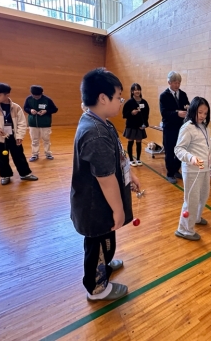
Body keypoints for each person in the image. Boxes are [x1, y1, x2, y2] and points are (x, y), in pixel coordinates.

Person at [70, 67, 141, 302]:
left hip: (102, 204)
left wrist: (130, 175)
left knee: (106, 240)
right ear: (103, 98)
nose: (121, 101)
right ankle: (97, 288)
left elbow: (119, 155)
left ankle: (106, 264)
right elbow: (105, 179)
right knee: (97, 245)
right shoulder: (96, 133)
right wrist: (119, 209)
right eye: (118, 97)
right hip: (95, 206)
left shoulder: (102, 123)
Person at [173, 97, 211, 241]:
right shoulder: (187, 128)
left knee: (203, 196)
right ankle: (184, 229)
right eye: (200, 112)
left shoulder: (205, 127)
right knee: (191, 200)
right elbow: (178, 149)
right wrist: (190, 157)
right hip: (192, 171)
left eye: (205, 113)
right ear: (193, 111)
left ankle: (196, 218)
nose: (203, 116)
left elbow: (209, 149)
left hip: (204, 170)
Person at [0, 83, 38, 185]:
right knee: (1, 158)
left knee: (19, 156)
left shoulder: (16, 107)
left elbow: (22, 123)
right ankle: (5, 176)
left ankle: (25, 174)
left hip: (13, 137)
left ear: (7, 95)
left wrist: (19, 136)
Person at [159, 71, 190, 183]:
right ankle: (170, 173)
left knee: (180, 149)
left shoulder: (183, 94)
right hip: (169, 128)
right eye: (175, 83)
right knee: (169, 150)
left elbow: (188, 106)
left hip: (181, 127)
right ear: (169, 82)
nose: (177, 85)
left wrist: (188, 109)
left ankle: (176, 169)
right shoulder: (164, 96)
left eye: (179, 83)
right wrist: (177, 113)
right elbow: (164, 113)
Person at [23, 85, 59, 161]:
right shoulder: (29, 99)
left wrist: (46, 111)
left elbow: (55, 109)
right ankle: (34, 154)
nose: (36, 97)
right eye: (34, 96)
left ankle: (48, 153)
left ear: (42, 93)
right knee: (34, 140)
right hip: (33, 123)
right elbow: (25, 108)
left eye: (38, 96)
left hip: (45, 123)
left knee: (46, 140)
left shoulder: (47, 100)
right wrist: (30, 110)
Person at [122, 83, 150, 167]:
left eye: (138, 89)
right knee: (130, 142)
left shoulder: (144, 102)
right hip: (131, 125)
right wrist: (131, 113)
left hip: (140, 126)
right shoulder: (129, 102)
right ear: (132, 91)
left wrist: (145, 124)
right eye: (135, 90)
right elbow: (124, 114)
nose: (137, 91)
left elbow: (146, 115)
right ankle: (131, 159)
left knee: (139, 142)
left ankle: (138, 159)